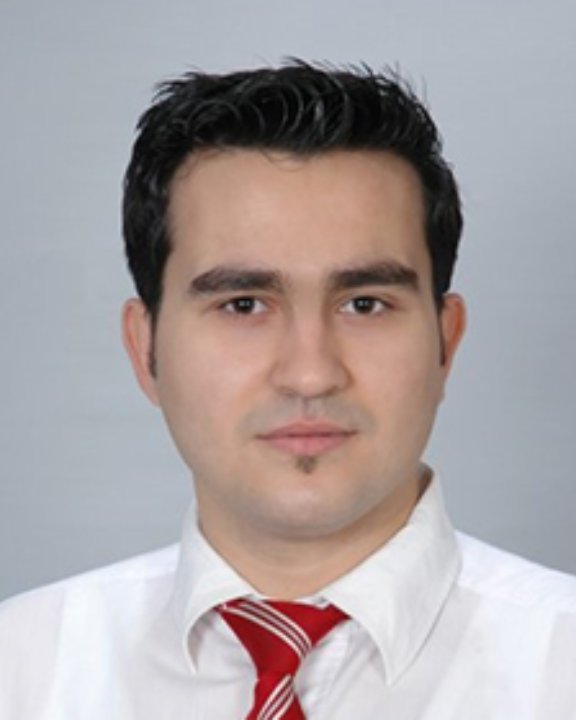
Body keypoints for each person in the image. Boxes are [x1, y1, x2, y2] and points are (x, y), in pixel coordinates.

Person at [1, 60, 575, 719]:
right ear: (144, 347)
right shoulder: (21, 670)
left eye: (364, 304)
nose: (310, 373)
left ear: (446, 342)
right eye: (243, 305)